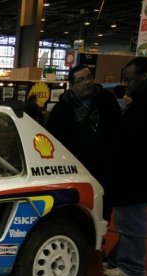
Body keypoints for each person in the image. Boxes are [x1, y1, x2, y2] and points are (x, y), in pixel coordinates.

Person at [104, 57, 147, 276]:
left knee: (131, 220)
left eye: (130, 79)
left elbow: (136, 140)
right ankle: (120, 260)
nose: (127, 84)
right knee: (128, 220)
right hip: (138, 172)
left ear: (143, 76)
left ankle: (132, 266)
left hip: (136, 173)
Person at [46, 64, 121, 221]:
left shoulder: (107, 101)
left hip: (104, 168)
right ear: (72, 86)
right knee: (76, 211)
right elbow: (54, 140)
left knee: (102, 210)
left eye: (89, 77)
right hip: (75, 170)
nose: (87, 82)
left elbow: (118, 130)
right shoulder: (62, 109)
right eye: (81, 80)